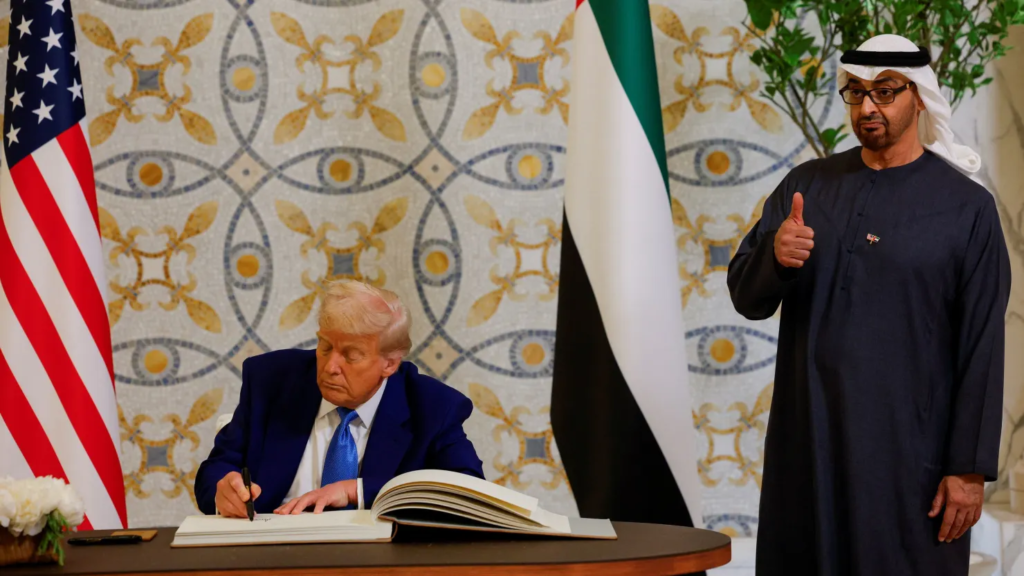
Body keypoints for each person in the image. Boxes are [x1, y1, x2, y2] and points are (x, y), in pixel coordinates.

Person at [728, 35, 1011, 576]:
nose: (868, 107)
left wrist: (968, 471)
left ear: (918, 97)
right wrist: (775, 257)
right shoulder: (805, 186)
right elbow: (747, 296)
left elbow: (981, 345)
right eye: (856, 93)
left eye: (885, 92)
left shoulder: (966, 208)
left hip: (910, 461)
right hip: (808, 447)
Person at [194, 280, 484, 516]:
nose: (330, 367)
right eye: (325, 346)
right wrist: (223, 490)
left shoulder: (433, 406)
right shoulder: (271, 382)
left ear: (389, 364)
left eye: (351, 355)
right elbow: (217, 470)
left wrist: (354, 491)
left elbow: (468, 491)